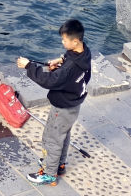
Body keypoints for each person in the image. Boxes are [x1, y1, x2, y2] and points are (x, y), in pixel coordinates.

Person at [16, 19, 92, 186]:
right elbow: (70, 62)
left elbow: (49, 81)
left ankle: (49, 173)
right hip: (74, 103)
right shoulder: (84, 52)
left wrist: (29, 66)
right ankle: (59, 164)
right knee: (63, 134)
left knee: (52, 138)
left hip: (63, 107)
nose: (62, 42)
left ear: (75, 41)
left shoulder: (70, 67)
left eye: (64, 40)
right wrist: (60, 61)